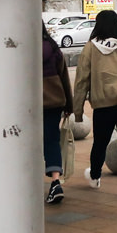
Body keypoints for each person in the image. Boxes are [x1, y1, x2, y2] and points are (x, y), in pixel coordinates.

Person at [73, 10, 117, 198]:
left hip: (104, 103)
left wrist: (77, 111)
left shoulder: (91, 47)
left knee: (100, 143)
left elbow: (81, 80)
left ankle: (95, 177)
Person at [42, 22, 73, 204]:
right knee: (52, 140)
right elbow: (64, 78)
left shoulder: (22, 49)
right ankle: (55, 182)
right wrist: (69, 104)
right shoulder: (54, 48)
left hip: (29, 105)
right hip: (55, 102)